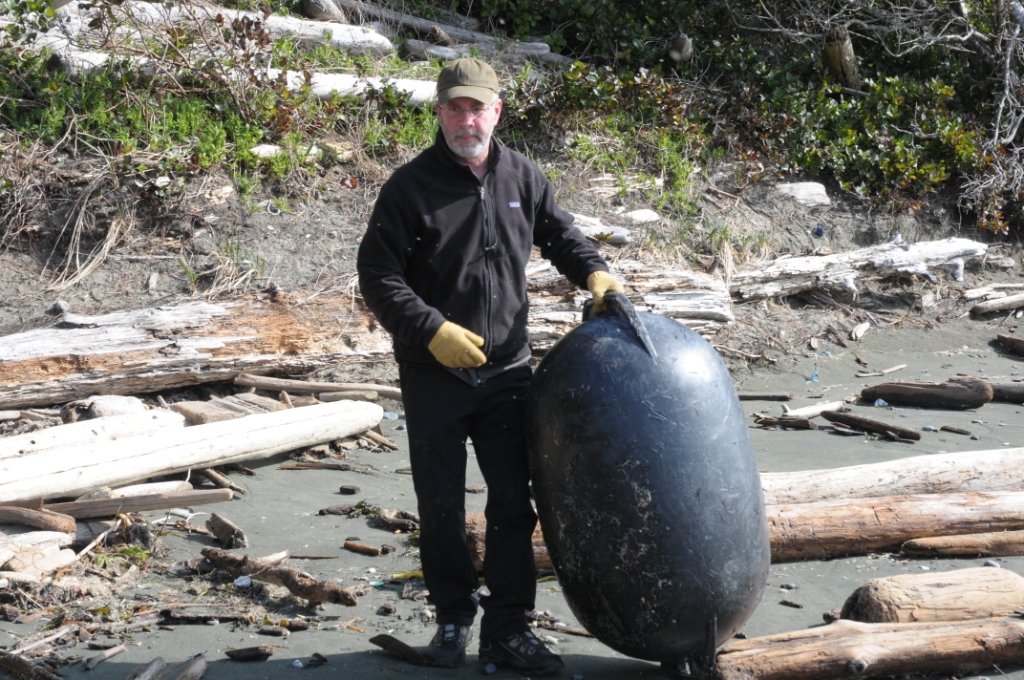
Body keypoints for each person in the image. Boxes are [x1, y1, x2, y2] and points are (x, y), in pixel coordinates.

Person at [356, 57, 623, 675]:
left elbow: (560, 236)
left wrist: (596, 274)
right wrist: (432, 330)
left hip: (507, 373)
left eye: (477, 108)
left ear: (497, 111)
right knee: (441, 504)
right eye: (454, 108)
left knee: (512, 501)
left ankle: (508, 627)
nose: (465, 120)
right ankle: (452, 619)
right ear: (439, 112)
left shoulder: (522, 175)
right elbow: (378, 275)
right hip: (434, 376)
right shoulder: (408, 188)